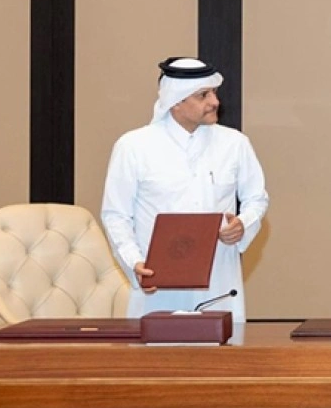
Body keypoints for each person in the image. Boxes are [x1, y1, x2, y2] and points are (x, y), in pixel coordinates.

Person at [101, 57, 269, 322]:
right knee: (158, 348)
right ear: (175, 101)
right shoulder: (133, 147)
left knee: (221, 348)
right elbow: (116, 215)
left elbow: (256, 199)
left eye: (214, 93)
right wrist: (135, 262)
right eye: (203, 95)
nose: (214, 102)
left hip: (219, 283)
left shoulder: (235, 144)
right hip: (157, 285)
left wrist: (242, 224)